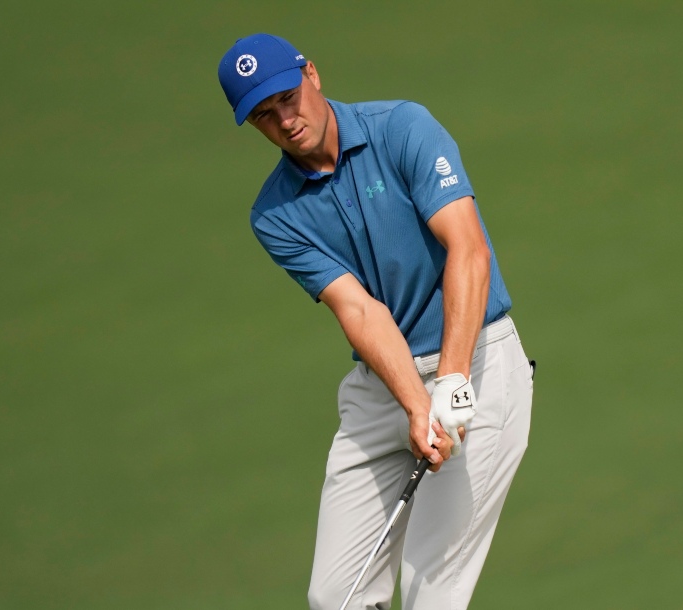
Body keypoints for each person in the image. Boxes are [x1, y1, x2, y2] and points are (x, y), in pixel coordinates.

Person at [217, 33, 535, 610]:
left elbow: (468, 250)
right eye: (264, 116)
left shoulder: (402, 128)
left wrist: (453, 382)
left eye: (287, 97)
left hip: (478, 366)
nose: (285, 120)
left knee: (429, 597)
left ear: (311, 74)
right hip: (382, 389)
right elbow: (361, 309)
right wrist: (417, 403)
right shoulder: (274, 215)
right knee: (334, 597)